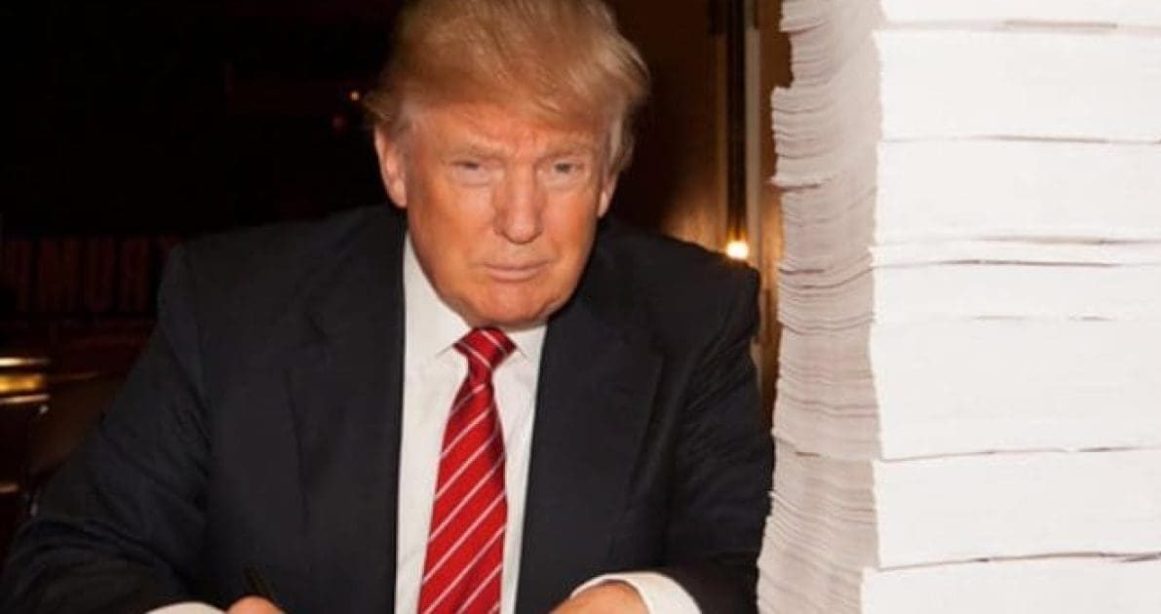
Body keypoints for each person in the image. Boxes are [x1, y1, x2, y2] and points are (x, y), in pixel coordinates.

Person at [0, 0, 773, 612]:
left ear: (608, 178)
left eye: (563, 167)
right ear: (395, 163)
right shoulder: (235, 311)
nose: (521, 221)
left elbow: (753, 565)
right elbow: (67, 559)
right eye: (475, 166)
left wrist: (646, 603)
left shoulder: (691, 318)